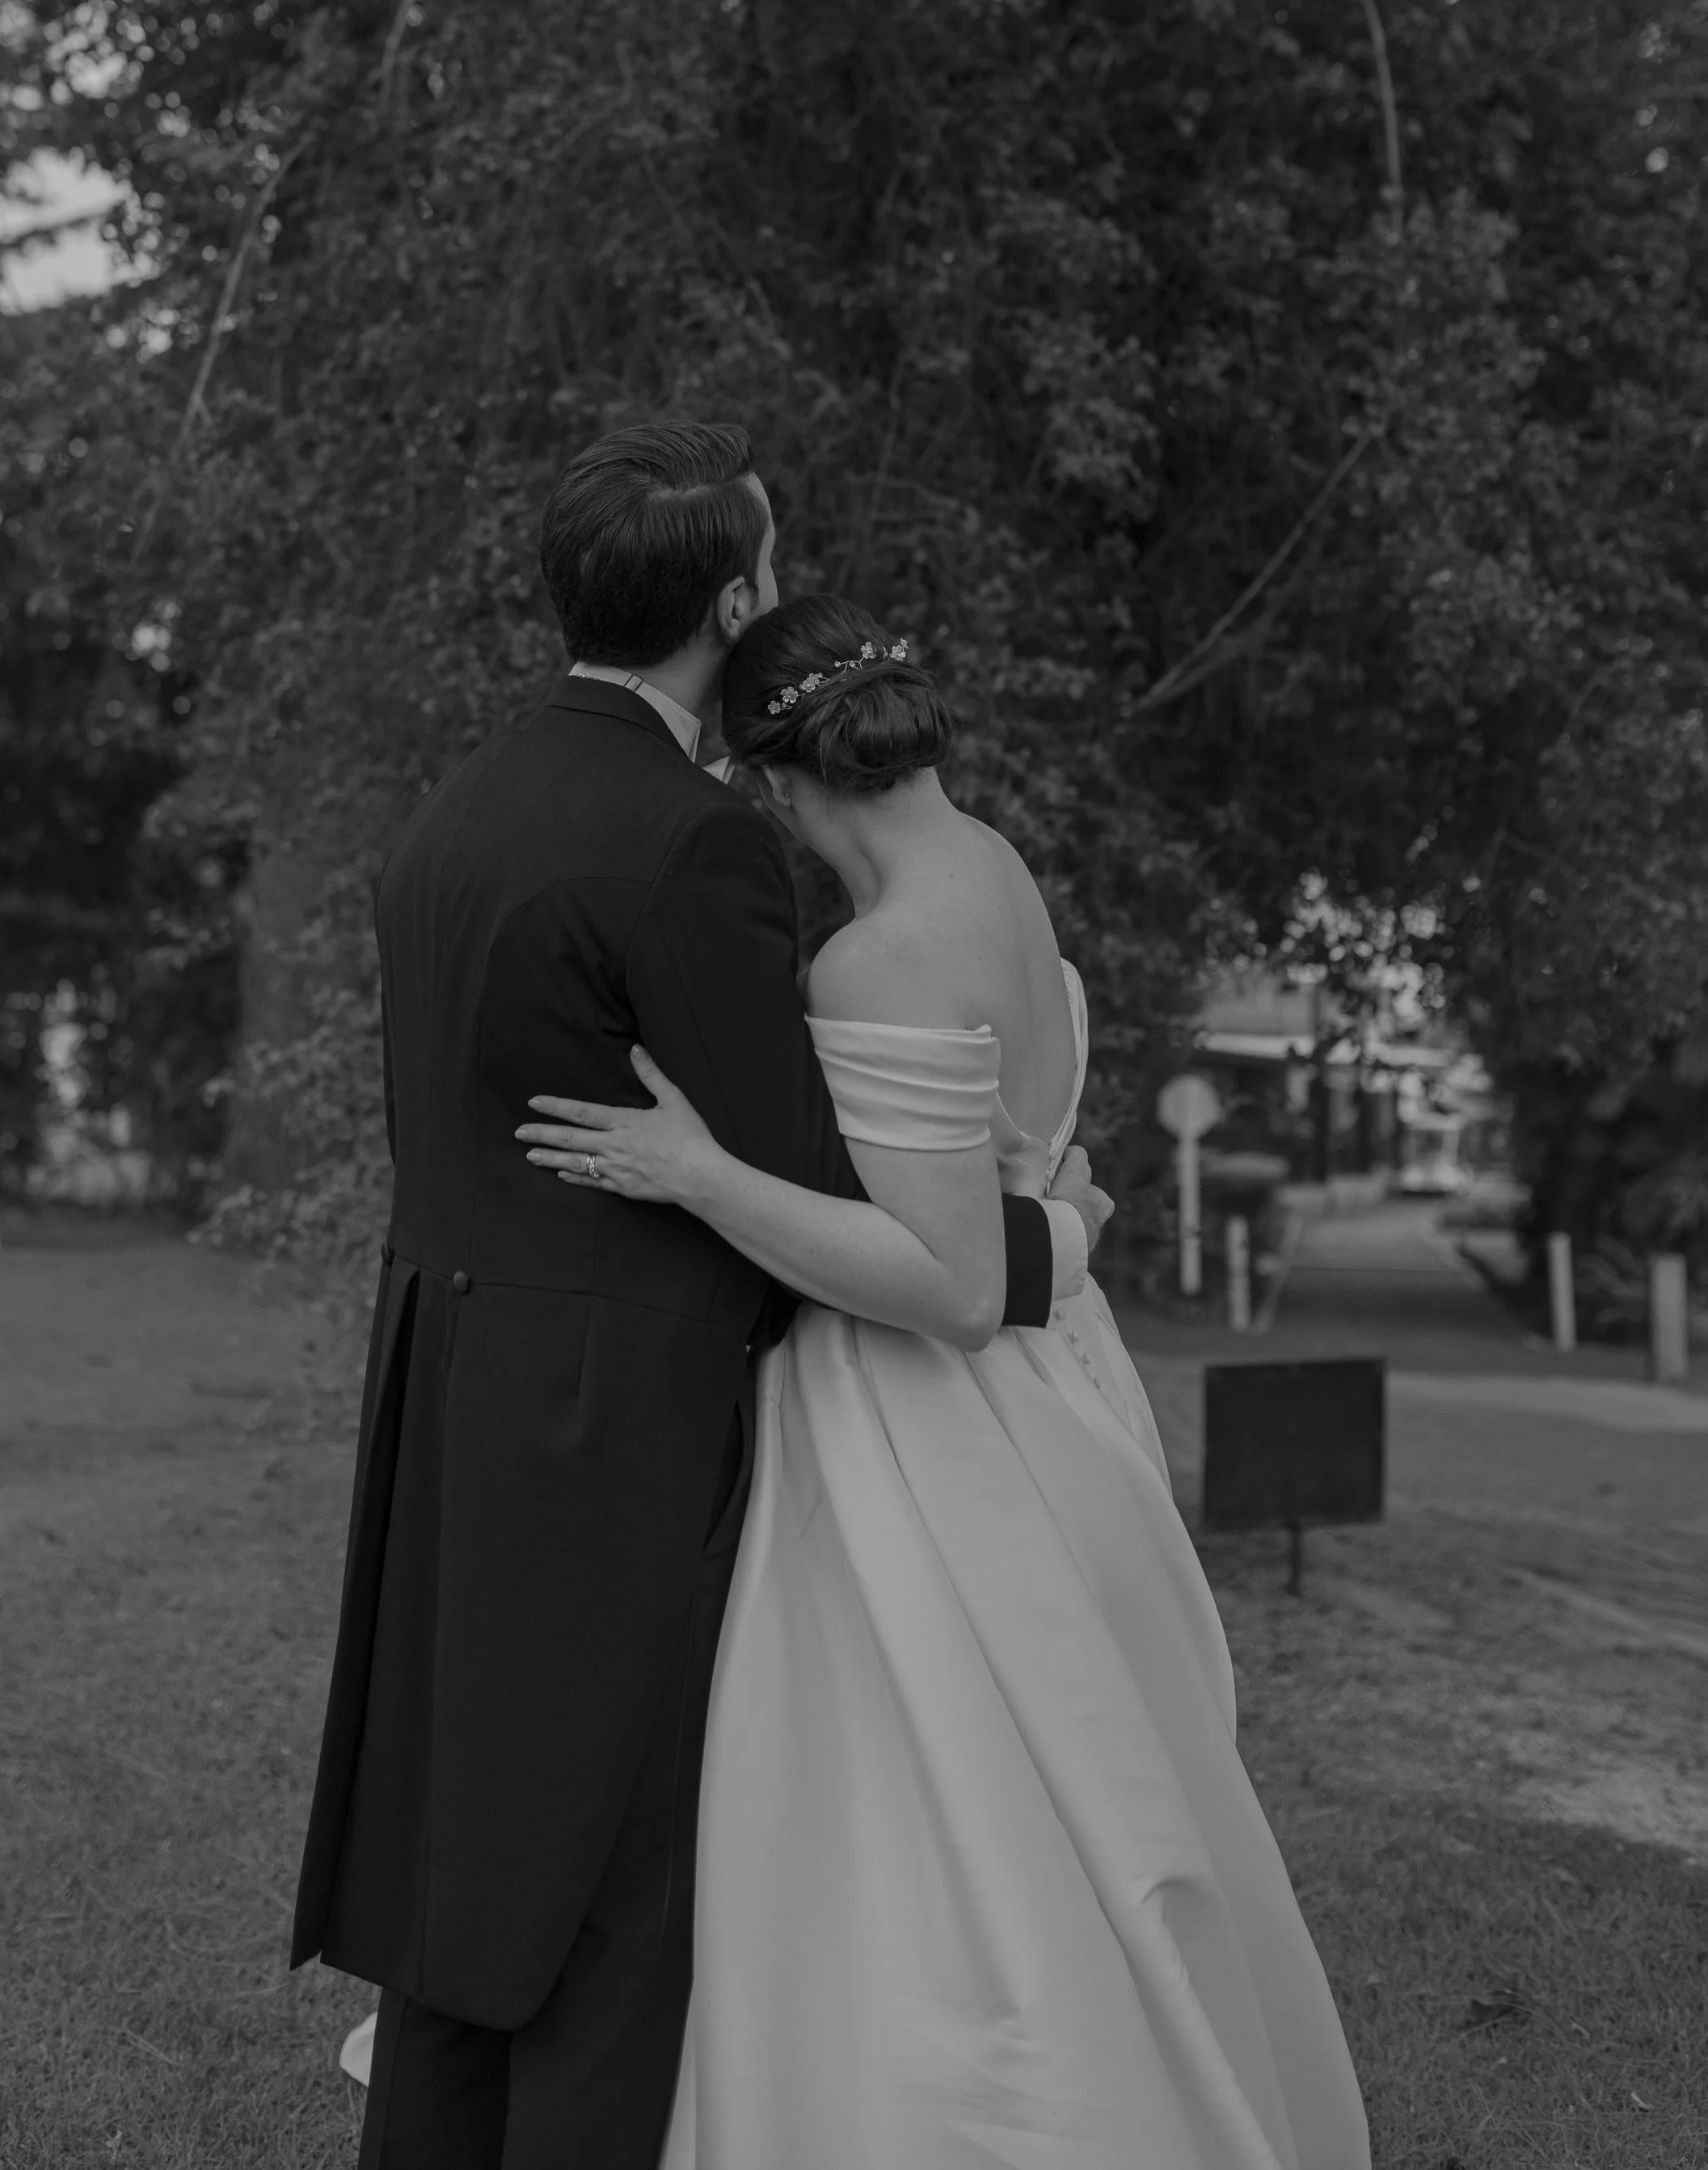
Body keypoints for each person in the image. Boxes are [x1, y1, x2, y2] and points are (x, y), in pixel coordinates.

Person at [289, 428, 1105, 2170]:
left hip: (451, 1383)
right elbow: (819, 1186)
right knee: (614, 1885)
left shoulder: (455, 810)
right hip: (618, 1421)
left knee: (470, 1851)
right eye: (772, 558)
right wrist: (1052, 1243)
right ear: (733, 603)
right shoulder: (694, 847)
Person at [521, 594, 1374, 2170]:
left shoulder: (878, 959)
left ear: (772, 777)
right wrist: (1064, 1229)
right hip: (1070, 1404)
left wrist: (696, 1171)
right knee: (1066, 1816)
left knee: (922, 1816)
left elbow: (949, 1287)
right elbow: (1019, 1204)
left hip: (927, 1439)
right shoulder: (997, 871)